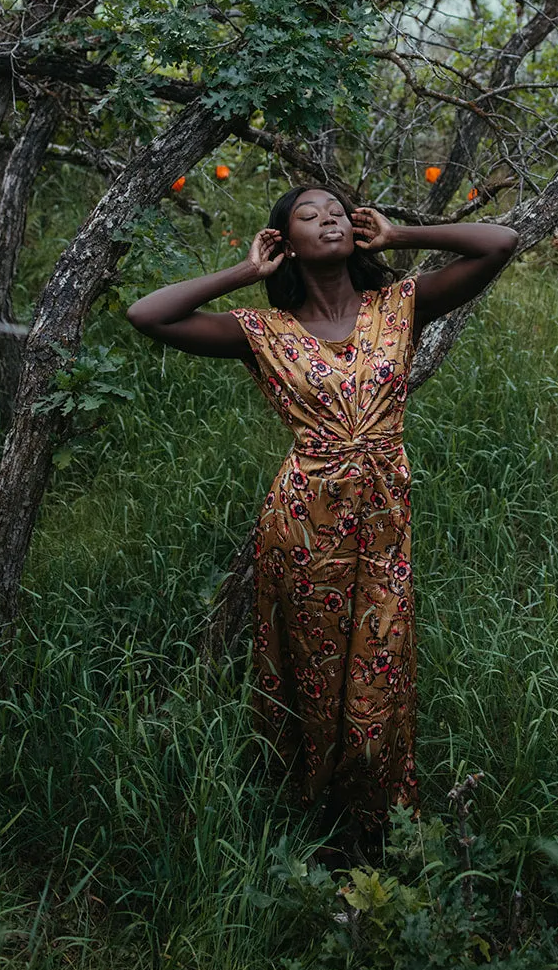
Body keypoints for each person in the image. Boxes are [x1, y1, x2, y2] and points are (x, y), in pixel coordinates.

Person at [126, 184, 517, 852]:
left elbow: (500, 243)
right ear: (285, 240)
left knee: (380, 660)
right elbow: (147, 313)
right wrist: (248, 274)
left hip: (384, 516)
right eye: (308, 215)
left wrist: (400, 238)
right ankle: (310, 815)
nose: (327, 218)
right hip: (303, 520)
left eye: (336, 211)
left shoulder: (399, 306)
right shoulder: (261, 331)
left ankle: (380, 816)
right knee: (311, 662)